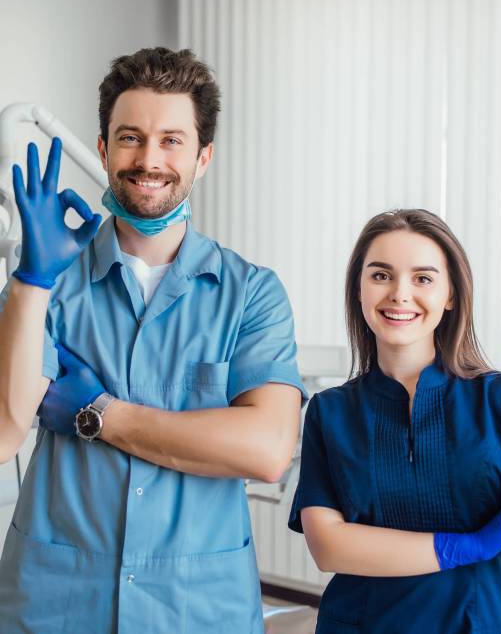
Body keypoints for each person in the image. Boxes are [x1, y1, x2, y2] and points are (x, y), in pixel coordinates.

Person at [0, 47, 306, 634]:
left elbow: (265, 450)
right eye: (131, 137)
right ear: (103, 147)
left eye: (172, 140)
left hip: (195, 607)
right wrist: (31, 281)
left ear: (203, 156)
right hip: (56, 602)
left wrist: (98, 414)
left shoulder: (251, 294)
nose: (149, 159)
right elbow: (7, 428)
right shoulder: (51, 282)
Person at [289, 209, 501, 634]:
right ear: (359, 289)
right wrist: (467, 546)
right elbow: (329, 547)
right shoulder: (330, 411)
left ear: (450, 294)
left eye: (423, 278)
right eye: (380, 275)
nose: (399, 293)